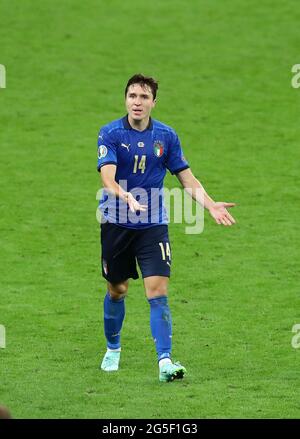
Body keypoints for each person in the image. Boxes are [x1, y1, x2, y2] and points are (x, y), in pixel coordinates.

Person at [96, 74, 236, 382]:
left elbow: (186, 177)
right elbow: (107, 177)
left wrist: (210, 205)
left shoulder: (166, 136)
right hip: (116, 224)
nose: (137, 101)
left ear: (153, 103)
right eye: (132, 95)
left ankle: (165, 362)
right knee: (117, 290)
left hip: (152, 225)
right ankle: (113, 348)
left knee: (157, 292)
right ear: (125, 99)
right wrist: (125, 195)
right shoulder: (110, 133)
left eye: (144, 97)